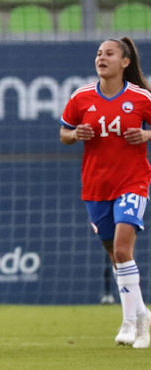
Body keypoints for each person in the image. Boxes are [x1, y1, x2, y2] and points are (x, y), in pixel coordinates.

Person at [60, 37, 151, 349]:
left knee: (124, 250)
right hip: (96, 187)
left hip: (133, 182)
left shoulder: (140, 97)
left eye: (109, 53)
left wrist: (146, 133)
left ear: (125, 62)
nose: (102, 58)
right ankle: (142, 315)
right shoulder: (81, 97)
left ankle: (127, 324)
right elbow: (63, 133)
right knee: (115, 255)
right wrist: (75, 134)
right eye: (99, 53)